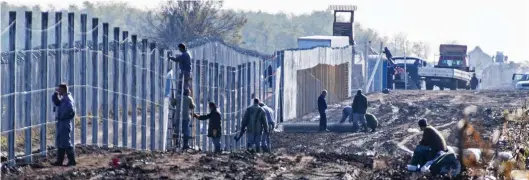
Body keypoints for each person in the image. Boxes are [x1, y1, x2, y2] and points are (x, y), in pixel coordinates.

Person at [51, 83, 76, 166]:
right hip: (61, 122)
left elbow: (71, 109)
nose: (58, 90)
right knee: (60, 141)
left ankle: (72, 161)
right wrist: (55, 95)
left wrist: (62, 116)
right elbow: (57, 103)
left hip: (65, 122)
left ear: (63, 89)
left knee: (66, 141)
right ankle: (59, 161)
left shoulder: (68, 99)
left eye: (59, 89)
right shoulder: (63, 98)